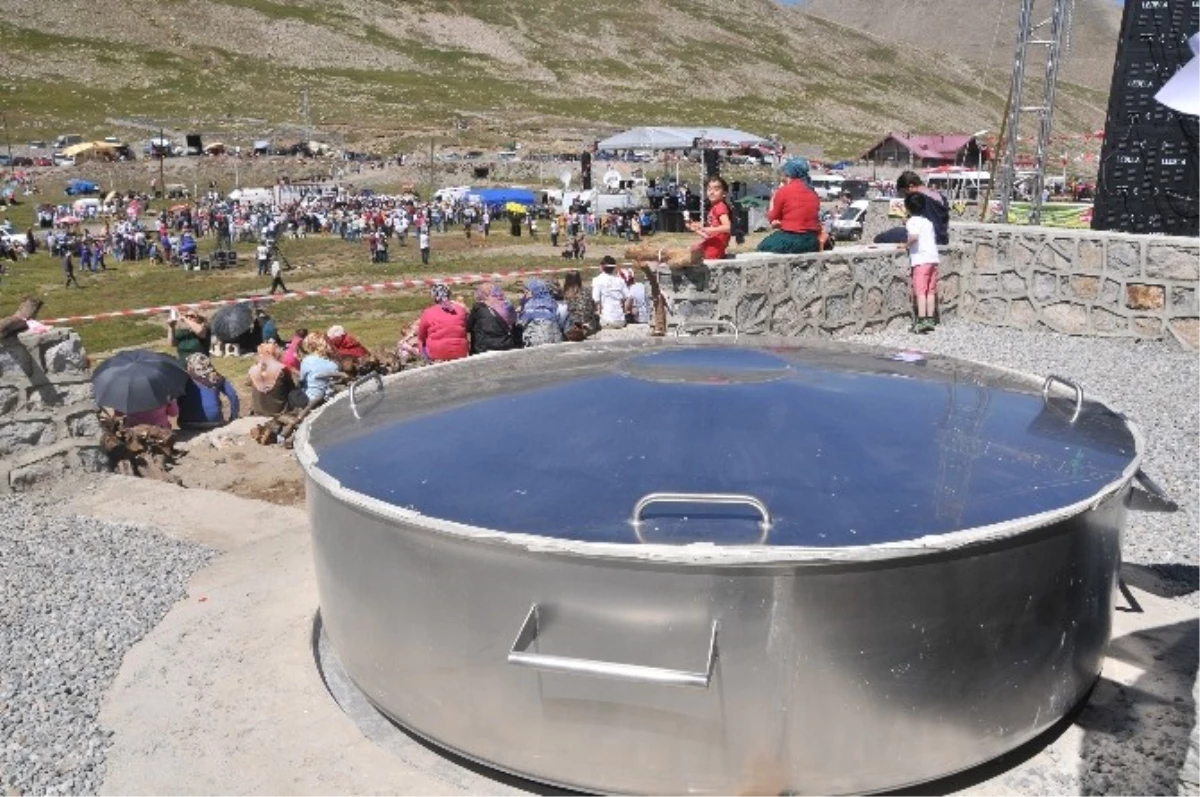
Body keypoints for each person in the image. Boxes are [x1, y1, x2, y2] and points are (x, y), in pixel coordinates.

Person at [758, 158, 822, 254]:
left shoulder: (784, 191)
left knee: (763, 246)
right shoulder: (812, 191)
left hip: (792, 239)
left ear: (788, 173)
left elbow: (773, 217)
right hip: (812, 240)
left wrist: (773, 199)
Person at [901, 192, 940, 333]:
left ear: (908, 208)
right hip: (933, 259)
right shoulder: (928, 222)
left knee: (920, 292)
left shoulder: (912, 222)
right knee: (930, 292)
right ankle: (930, 320)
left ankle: (921, 321)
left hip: (921, 260)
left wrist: (904, 245)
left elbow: (914, 237)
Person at [177, 353, 240, 429]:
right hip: (214, 422)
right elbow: (233, 395)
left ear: (190, 367)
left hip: (187, 423)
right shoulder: (217, 378)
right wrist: (234, 416)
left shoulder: (182, 379)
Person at [417, 284, 470, 362]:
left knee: (421, 342)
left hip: (437, 353)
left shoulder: (428, 312)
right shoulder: (460, 310)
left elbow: (421, 335)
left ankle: (427, 362)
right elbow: (466, 328)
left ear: (434, 297)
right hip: (461, 351)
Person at [896, 170, 950, 245]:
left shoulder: (921, 198)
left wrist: (908, 221)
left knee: (884, 237)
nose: (906, 196)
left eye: (905, 193)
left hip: (932, 238)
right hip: (942, 236)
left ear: (910, 187)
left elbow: (922, 225)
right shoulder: (937, 194)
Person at [687, 176, 732, 260]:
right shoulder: (714, 207)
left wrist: (706, 229)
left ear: (724, 193)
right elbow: (711, 234)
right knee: (690, 250)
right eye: (709, 189)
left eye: (716, 189)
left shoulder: (720, 207)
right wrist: (696, 229)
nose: (712, 192)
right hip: (713, 245)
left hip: (714, 248)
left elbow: (728, 227)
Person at [467, 282, 517, 354]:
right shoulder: (507, 306)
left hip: (484, 347)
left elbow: (468, 327)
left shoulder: (478, 308)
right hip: (506, 344)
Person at [518, 278, 569, 347]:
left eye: (527, 291)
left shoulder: (529, 305)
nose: (526, 293)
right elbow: (559, 320)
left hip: (535, 341)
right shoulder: (552, 303)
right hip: (555, 339)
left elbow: (521, 322)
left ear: (534, 291)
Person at [248, 342, 294, 416]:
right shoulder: (282, 369)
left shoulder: (252, 369)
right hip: (278, 410)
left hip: (258, 410)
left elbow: (249, 384)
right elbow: (292, 388)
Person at [298, 332, 343, 408]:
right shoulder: (334, 363)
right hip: (329, 396)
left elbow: (302, 379)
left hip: (311, 398)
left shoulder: (307, 361)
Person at [591, 256, 630, 329]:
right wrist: (624, 311)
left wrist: (598, 312)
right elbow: (629, 297)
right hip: (620, 320)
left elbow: (595, 299)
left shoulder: (597, 280)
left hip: (606, 320)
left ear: (602, 267)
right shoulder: (620, 280)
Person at [562, 270, 599, 339]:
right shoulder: (587, 291)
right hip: (588, 325)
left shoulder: (566, 293)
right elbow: (594, 307)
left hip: (573, 324)